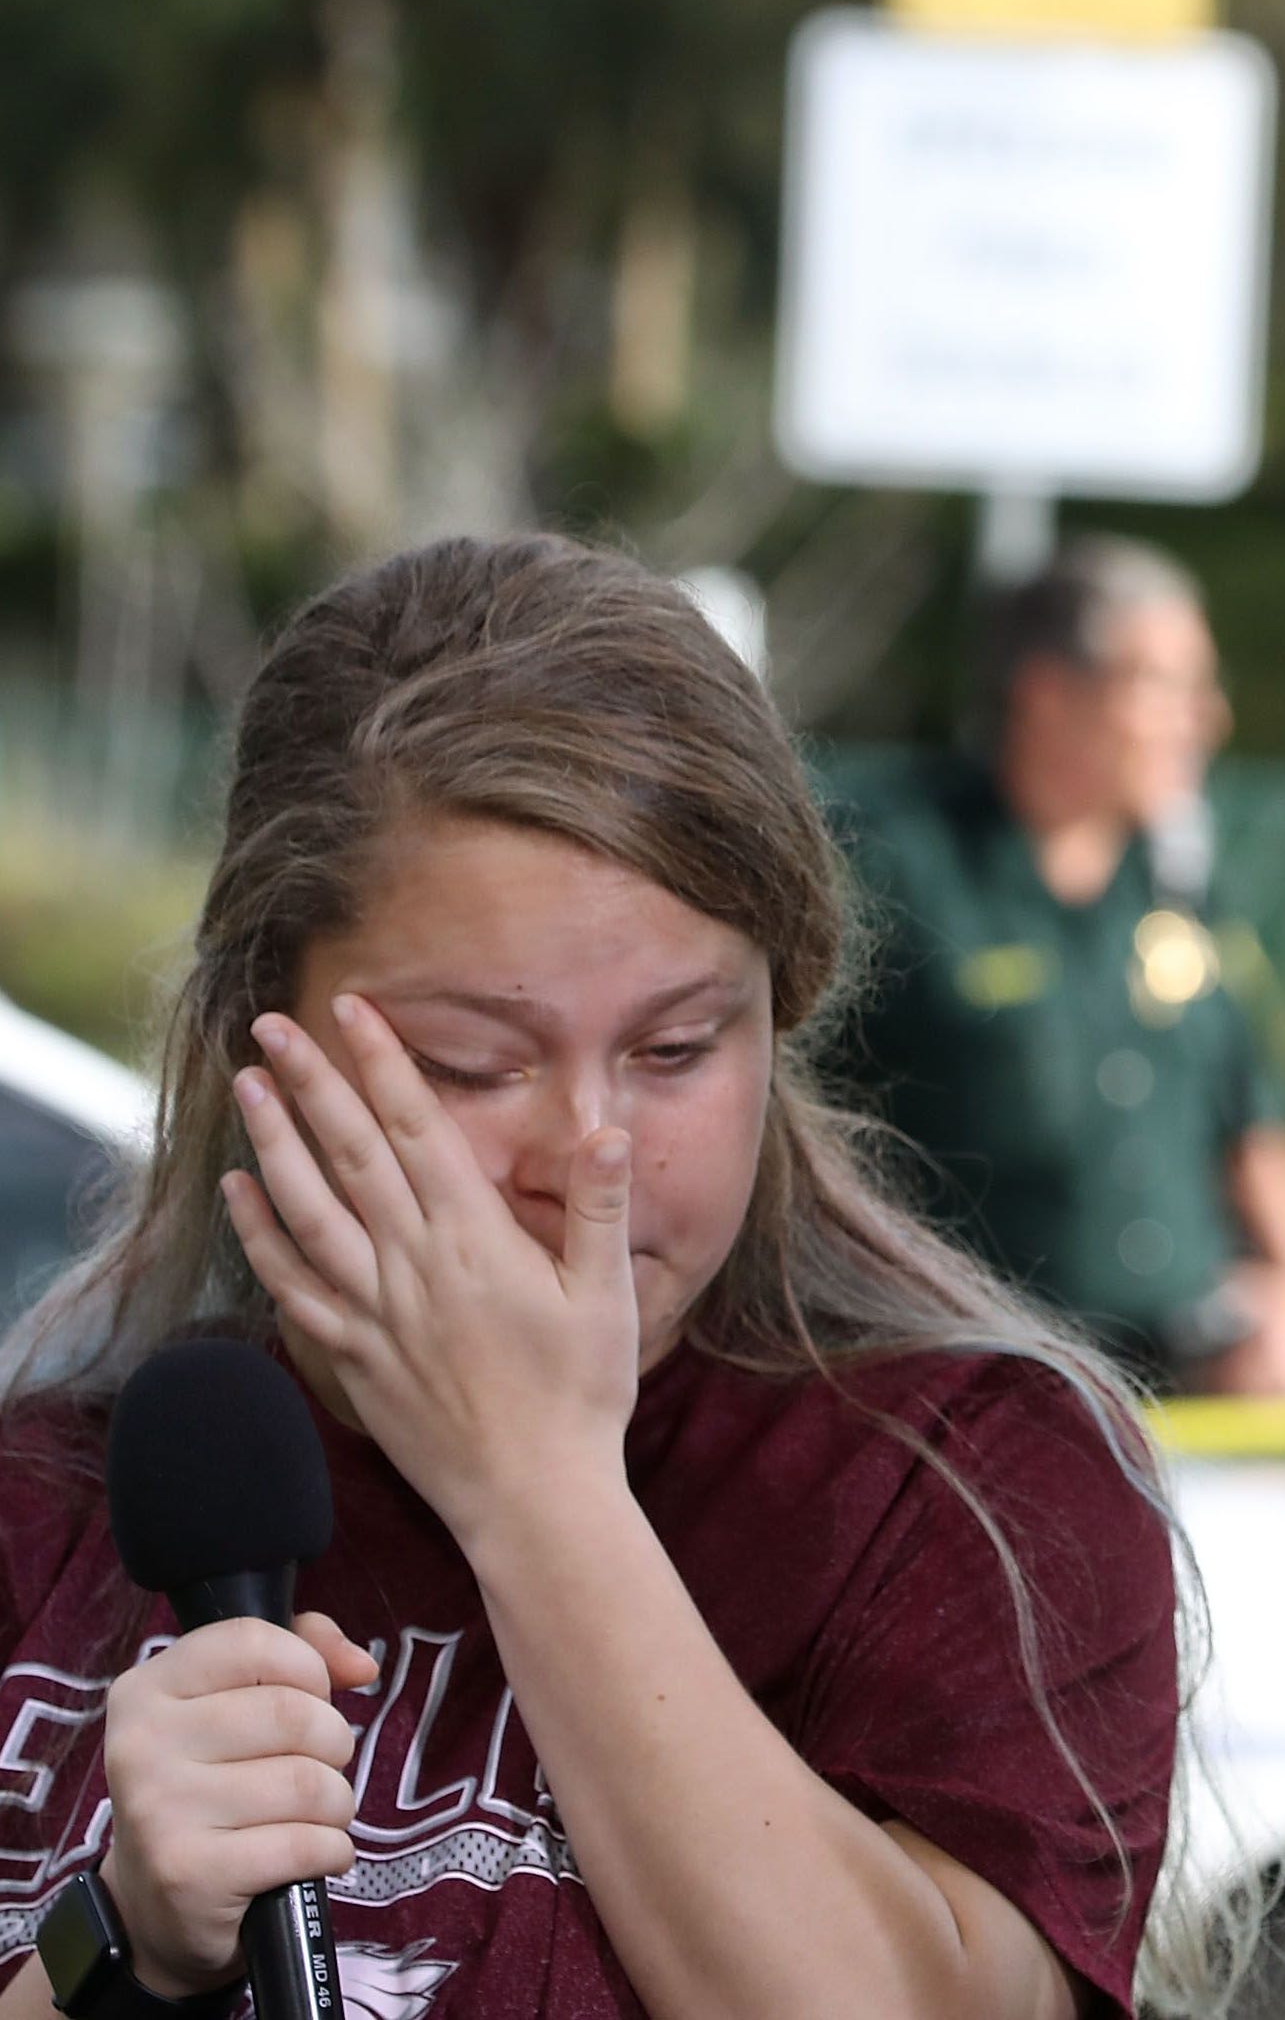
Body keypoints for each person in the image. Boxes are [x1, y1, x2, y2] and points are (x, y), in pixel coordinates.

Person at [0, 536, 1207, 2020]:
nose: (592, 1156)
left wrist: (534, 1484)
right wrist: (112, 1946)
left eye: (679, 1047)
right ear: (264, 1038)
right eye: (472, 1064)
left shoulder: (964, 1479)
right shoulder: (49, 1500)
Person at [814, 535, 1285, 1397]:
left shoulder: (1177, 883)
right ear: (1049, 695)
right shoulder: (888, 860)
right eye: (1165, 685)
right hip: (957, 1390)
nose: (1206, 718)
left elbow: (1252, 1119)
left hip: (1188, 1394)